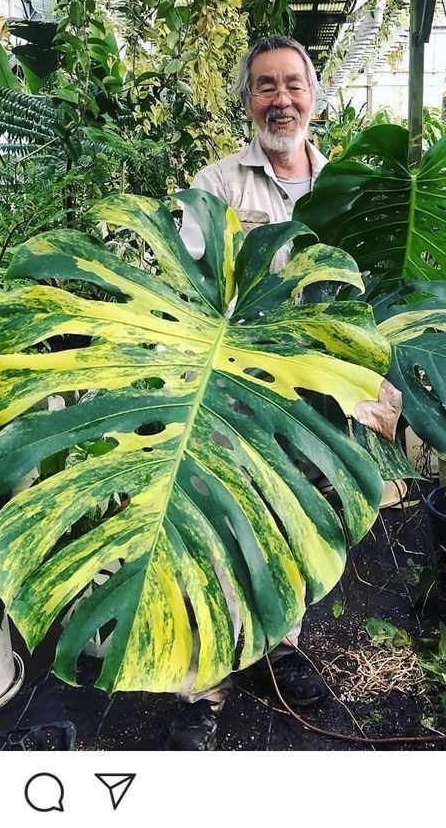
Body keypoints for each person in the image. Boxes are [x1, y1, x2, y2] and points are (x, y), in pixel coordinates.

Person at [170, 36, 329, 751]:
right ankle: (203, 678)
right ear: (246, 101)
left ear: (313, 95)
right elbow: (188, 284)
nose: (280, 98)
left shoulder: (344, 183)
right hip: (228, 384)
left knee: (291, 513)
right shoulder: (217, 183)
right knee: (219, 517)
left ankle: (280, 644)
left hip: (313, 386)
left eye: (292, 84)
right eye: (265, 85)